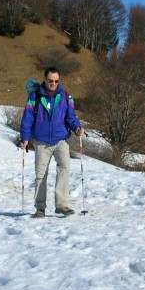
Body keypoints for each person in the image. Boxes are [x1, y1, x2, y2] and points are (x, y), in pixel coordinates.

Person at [19, 67, 84, 218]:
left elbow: (71, 117)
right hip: (41, 141)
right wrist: (24, 137)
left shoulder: (66, 97)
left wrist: (77, 128)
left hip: (60, 140)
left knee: (64, 168)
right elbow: (27, 119)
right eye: (50, 81)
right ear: (45, 79)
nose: (53, 83)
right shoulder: (34, 97)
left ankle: (61, 205)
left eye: (56, 81)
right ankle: (40, 208)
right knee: (40, 175)